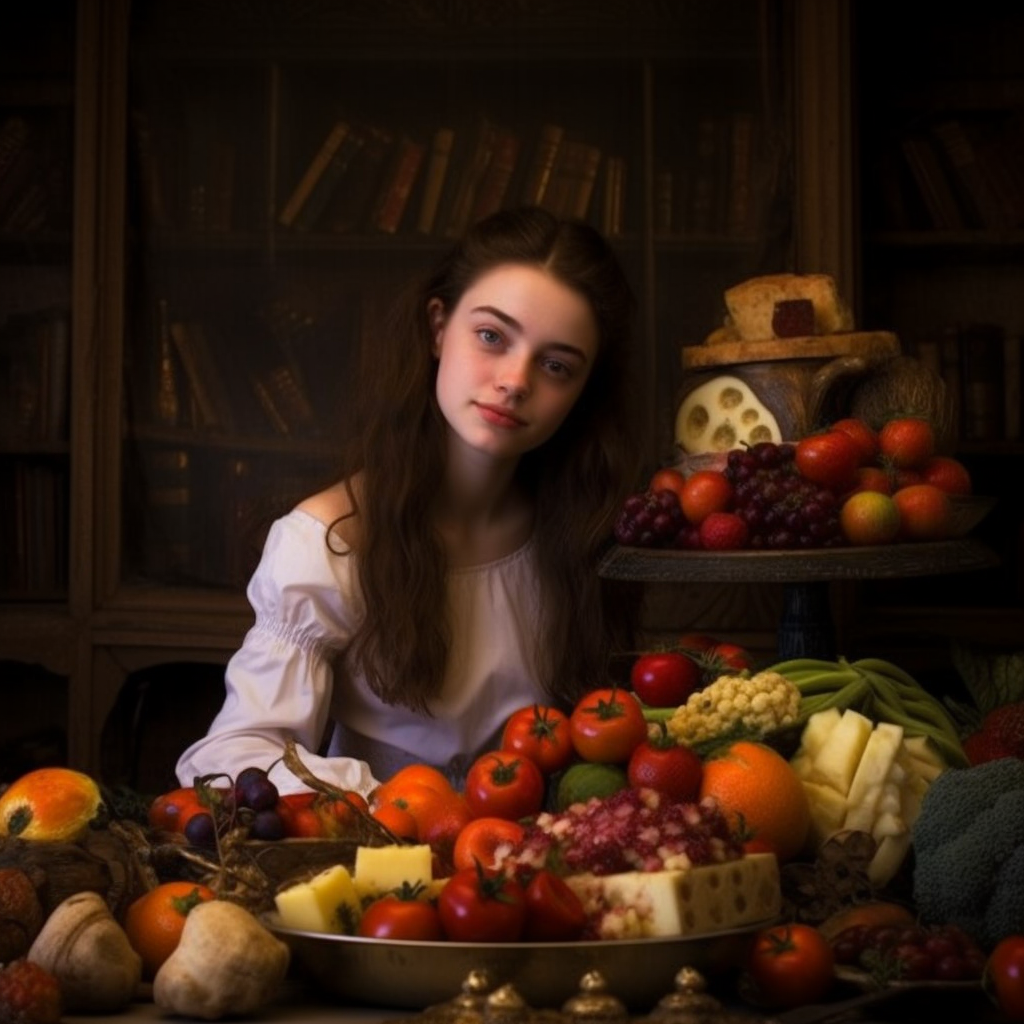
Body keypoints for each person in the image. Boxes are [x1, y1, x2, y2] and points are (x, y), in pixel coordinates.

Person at [176, 206, 639, 796]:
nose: (516, 380)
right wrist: (393, 802)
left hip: (541, 873)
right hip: (385, 864)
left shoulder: (584, 532)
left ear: (584, 390)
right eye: (492, 336)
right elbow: (233, 753)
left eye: (556, 365)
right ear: (438, 327)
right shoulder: (330, 540)